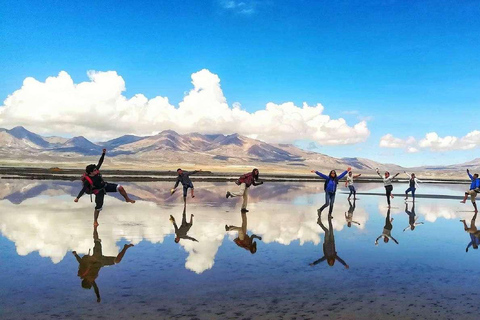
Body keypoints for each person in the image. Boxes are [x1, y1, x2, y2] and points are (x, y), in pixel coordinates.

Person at [72, 225, 134, 303]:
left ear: (87, 280)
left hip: (96, 257)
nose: (93, 281)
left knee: (96, 240)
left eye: (91, 282)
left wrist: (75, 255)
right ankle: (125, 247)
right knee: (117, 261)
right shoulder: (91, 280)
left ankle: (95, 227)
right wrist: (98, 297)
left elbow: (80, 261)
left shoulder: (83, 272)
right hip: (102, 263)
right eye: (92, 282)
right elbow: (96, 288)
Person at [74, 149, 135, 226]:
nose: (97, 171)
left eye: (96, 169)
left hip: (105, 186)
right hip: (98, 191)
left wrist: (103, 153)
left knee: (120, 187)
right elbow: (83, 190)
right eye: (95, 170)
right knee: (99, 206)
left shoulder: (96, 171)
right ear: (91, 172)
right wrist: (77, 198)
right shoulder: (87, 180)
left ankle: (127, 199)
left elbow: (100, 162)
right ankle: (95, 221)